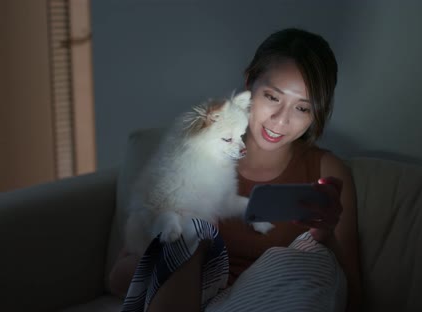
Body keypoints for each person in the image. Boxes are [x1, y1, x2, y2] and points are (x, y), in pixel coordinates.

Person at [109, 27, 362, 312]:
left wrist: (324, 236)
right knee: (191, 231)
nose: (280, 120)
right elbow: (119, 277)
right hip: (190, 298)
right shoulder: (194, 158)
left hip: (271, 300)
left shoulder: (326, 170)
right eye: (272, 97)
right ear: (249, 84)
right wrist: (187, 256)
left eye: (302, 108)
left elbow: (351, 291)